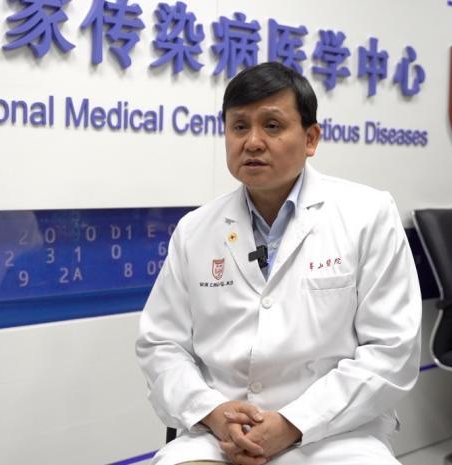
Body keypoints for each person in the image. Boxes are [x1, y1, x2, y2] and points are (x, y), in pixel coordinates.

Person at [136, 62, 421, 465]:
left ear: (310, 138)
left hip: (334, 435)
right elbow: (161, 345)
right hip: (221, 435)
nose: (252, 142)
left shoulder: (368, 214)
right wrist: (212, 412)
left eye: (272, 126)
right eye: (239, 127)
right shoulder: (195, 229)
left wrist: (292, 423)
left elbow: (392, 350)